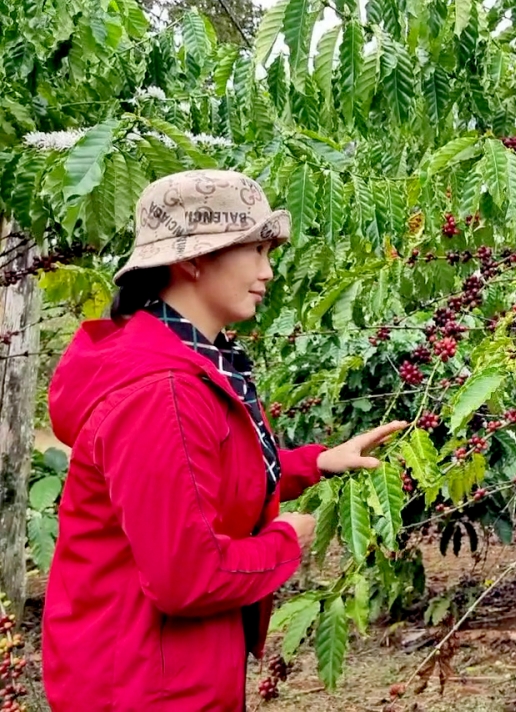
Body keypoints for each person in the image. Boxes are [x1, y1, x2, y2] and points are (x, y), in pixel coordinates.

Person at [41, 170, 404, 711]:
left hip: (164, 668)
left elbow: (198, 474)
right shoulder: (160, 391)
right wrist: (288, 538)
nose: (268, 271)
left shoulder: (186, 358)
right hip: (145, 687)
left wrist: (316, 462)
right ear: (192, 260)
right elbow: (187, 577)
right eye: (255, 251)